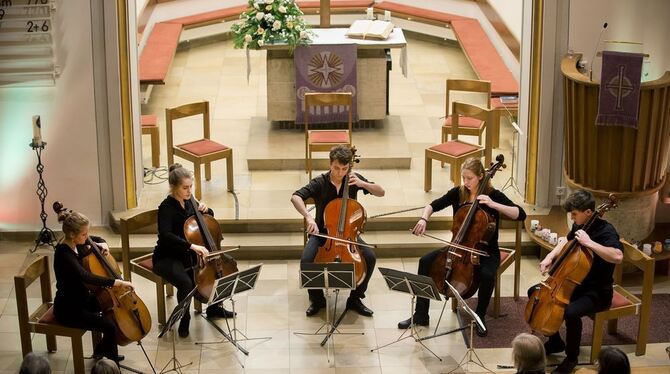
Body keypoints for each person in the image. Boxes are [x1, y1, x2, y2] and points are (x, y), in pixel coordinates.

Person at [397, 157, 526, 336]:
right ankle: (420, 315)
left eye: (469, 178)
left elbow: (521, 214)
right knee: (425, 261)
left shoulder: (493, 195)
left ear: (481, 176)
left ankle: (479, 317)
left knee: (488, 275)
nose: (465, 182)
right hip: (457, 246)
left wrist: (492, 204)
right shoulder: (459, 193)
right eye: (463, 178)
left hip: (486, 251)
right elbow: (432, 205)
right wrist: (423, 218)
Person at [534, 189, 623, 374]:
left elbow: (618, 256)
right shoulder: (580, 225)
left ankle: (571, 357)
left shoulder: (606, 231)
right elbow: (565, 242)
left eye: (574, 214)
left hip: (597, 292)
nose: (572, 218)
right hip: (574, 285)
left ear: (588, 212)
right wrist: (549, 257)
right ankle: (555, 340)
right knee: (534, 293)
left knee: (570, 312)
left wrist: (589, 242)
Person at [291, 145, 385, 317]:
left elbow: (381, 192)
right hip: (322, 234)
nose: (340, 173)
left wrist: (363, 183)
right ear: (330, 164)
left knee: (370, 257)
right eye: (336, 168)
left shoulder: (353, 179)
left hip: (348, 235)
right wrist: (308, 217)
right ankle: (317, 298)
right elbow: (296, 196)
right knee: (306, 260)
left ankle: (355, 298)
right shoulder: (320, 182)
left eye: (344, 168)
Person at [152, 163, 234, 338]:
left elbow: (207, 220)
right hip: (168, 256)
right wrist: (192, 246)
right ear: (174, 187)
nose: (189, 191)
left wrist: (207, 209)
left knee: (225, 264)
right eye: (185, 188)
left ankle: (214, 307)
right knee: (186, 283)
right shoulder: (166, 207)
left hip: (189, 255)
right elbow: (165, 235)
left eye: (191, 187)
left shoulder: (191, 202)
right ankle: (184, 316)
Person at [54, 210, 134, 363]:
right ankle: (110, 364)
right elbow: (85, 276)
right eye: (84, 234)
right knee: (110, 326)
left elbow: (96, 239)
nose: (88, 237)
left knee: (110, 310)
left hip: (82, 299)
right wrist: (116, 282)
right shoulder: (64, 254)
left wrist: (103, 243)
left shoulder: (79, 243)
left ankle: (103, 351)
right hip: (69, 309)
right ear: (72, 235)